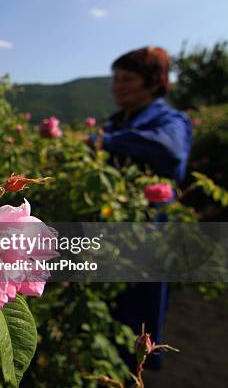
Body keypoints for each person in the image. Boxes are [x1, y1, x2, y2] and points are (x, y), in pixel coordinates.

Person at [87, 46, 193, 369]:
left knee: (138, 321)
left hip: (150, 235)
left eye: (128, 78)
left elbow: (169, 149)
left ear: (153, 82)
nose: (117, 85)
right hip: (110, 234)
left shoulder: (170, 121)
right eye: (116, 78)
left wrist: (103, 142)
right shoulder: (117, 122)